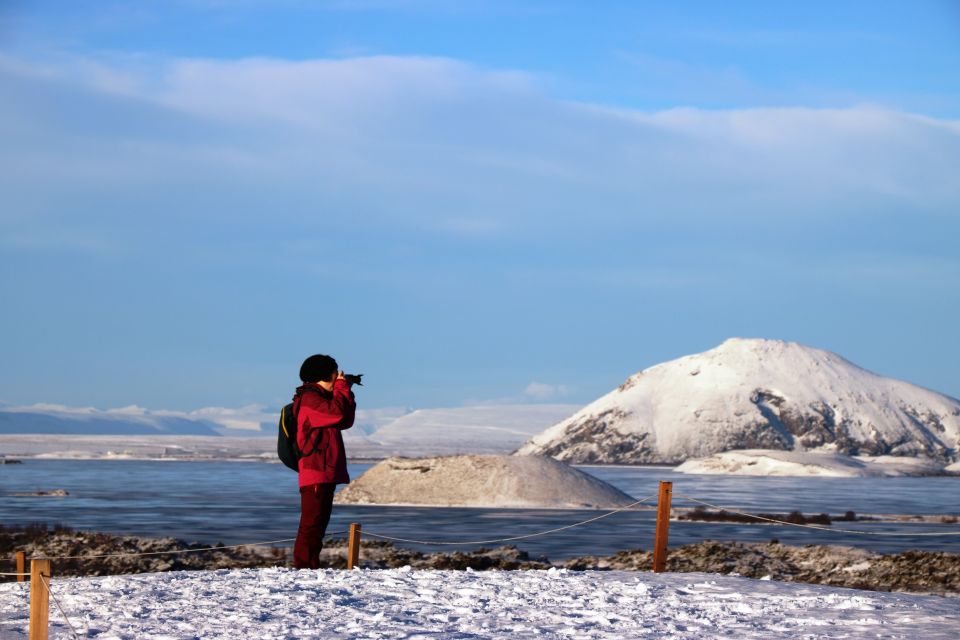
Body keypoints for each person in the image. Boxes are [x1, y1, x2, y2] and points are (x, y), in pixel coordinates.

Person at [292, 353, 356, 569]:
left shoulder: (319, 399)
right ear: (328, 374)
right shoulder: (310, 400)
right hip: (316, 470)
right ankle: (304, 567)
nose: (338, 376)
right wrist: (341, 387)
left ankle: (309, 565)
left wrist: (345, 389)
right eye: (335, 372)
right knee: (311, 524)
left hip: (323, 471)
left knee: (318, 523)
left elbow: (345, 420)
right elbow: (337, 414)